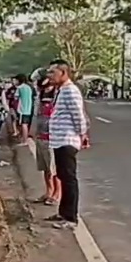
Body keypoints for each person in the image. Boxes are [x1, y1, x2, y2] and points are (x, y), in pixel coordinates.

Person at [45, 60, 88, 230]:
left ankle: (71, 218)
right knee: (63, 177)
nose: (50, 76)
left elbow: (78, 115)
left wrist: (82, 134)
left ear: (63, 73)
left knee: (69, 179)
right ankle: (63, 213)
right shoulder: (61, 90)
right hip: (59, 140)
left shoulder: (70, 91)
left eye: (52, 72)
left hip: (67, 140)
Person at [32, 73, 60, 206]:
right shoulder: (40, 96)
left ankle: (56, 194)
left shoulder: (57, 96)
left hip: (52, 138)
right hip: (40, 136)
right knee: (45, 168)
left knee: (54, 170)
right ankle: (48, 191)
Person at [13, 73, 34, 142]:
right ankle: (24, 138)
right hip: (29, 109)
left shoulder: (19, 88)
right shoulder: (29, 87)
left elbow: (16, 98)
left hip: (22, 109)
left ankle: (24, 140)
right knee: (25, 124)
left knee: (23, 125)